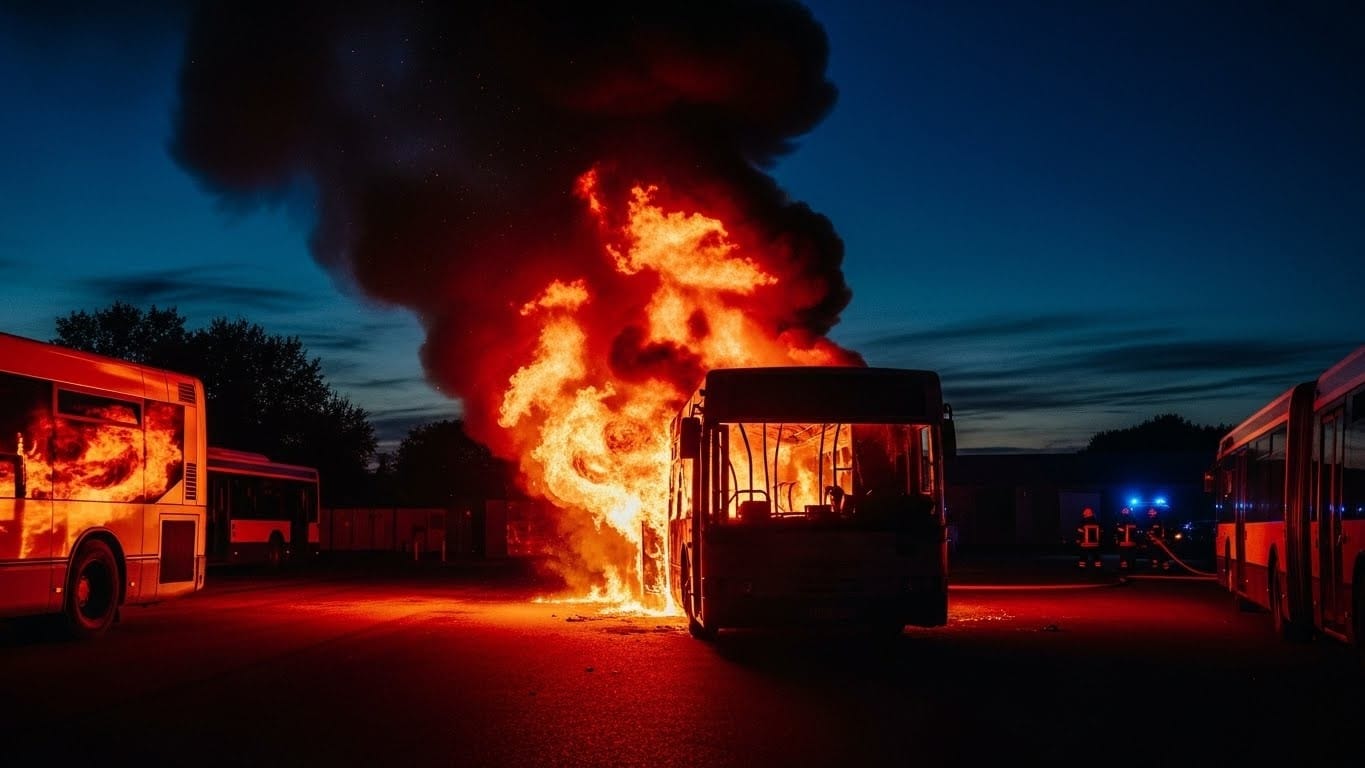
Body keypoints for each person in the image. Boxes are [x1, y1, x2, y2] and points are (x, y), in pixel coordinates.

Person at [1113, 506, 1139, 570]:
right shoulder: (1118, 518)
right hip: (1122, 541)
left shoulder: (1133, 518)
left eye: (1126, 510)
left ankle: (1132, 569)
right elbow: (1115, 529)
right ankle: (1123, 569)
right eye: (1123, 510)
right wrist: (1116, 537)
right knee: (1123, 556)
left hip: (1131, 541)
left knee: (1131, 556)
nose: (1125, 511)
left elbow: (1137, 528)